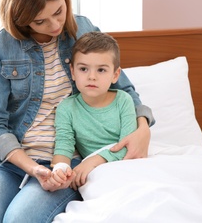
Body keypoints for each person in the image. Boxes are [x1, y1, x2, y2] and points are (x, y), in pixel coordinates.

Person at [0, 0, 154, 222]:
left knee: (18, 219)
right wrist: (31, 167)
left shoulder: (83, 29)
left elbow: (123, 87)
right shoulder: (0, 46)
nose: (54, 25)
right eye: (40, 20)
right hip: (14, 165)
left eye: (59, 11)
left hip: (66, 164)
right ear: (19, 18)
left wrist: (143, 128)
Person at [49, 31, 137, 190]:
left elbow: (127, 146)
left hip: (126, 165)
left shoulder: (123, 101)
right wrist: (59, 170)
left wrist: (92, 161)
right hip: (96, 173)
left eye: (101, 70)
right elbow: (64, 145)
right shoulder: (67, 108)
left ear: (115, 75)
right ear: (73, 72)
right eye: (83, 69)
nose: (92, 77)